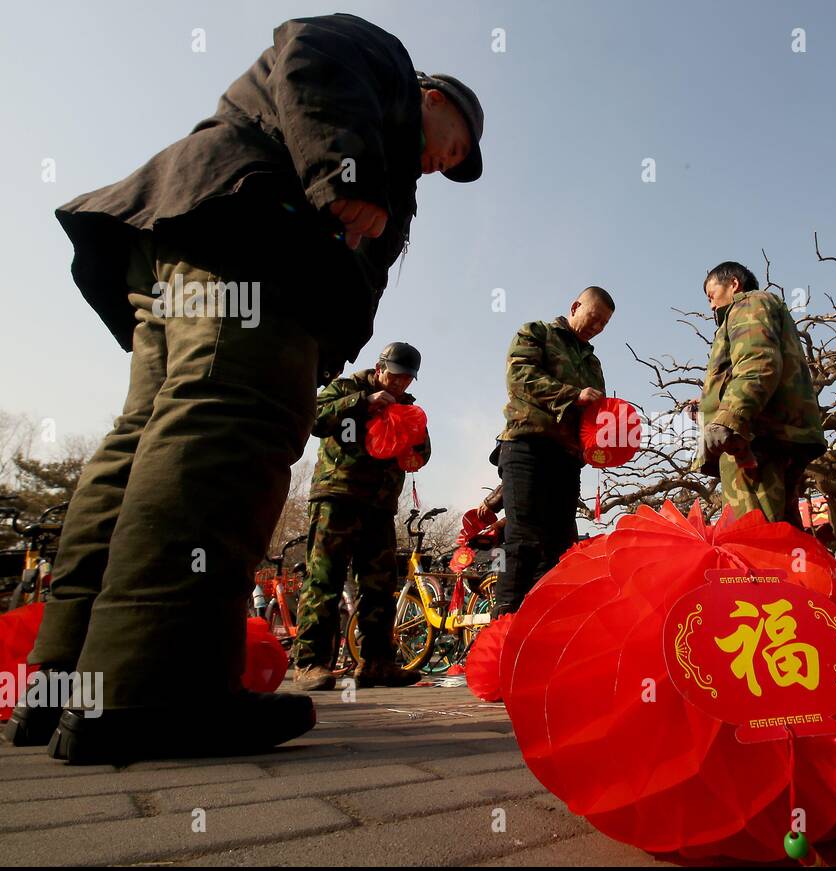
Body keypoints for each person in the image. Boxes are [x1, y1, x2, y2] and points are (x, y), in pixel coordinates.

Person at [5, 13, 485, 764]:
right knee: (227, 428)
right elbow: (310, 50)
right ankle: (157, 688)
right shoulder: (381, 66)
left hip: (189, 237)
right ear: (430, 96)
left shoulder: (383, 138)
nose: (440, 163)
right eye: (451, 144)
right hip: (252, 238)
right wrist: (347, 172)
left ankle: (67, 682)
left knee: (143, 443)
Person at [292, 343, 431, 691]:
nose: (401, 383)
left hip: (380, 505)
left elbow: (422, 450)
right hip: (338, 495)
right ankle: (311, 663)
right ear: (380, 367)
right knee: (325, 579)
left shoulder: (408, 407)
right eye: (396, 375)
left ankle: (377, 663)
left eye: (408, 378)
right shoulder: (346, 388)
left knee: (380, 586)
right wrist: (361, 404)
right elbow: (315, 419)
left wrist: (415, 445)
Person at [492, 288, 613, 616]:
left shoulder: (592, 362)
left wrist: (608, 436)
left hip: (567, 459)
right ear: (576, 306)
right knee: (524, 539)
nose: (597, 327)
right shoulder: (536, 333)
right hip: (526, 447)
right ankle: (503, 634)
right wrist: (573, 395)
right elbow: (520, 378)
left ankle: (544, 631)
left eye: (604, 324)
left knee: (560, 547)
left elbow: (595, 413)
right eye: (594, 317)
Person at [692, 262, 826, 526]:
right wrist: (710, 402)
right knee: (781, 542)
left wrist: (727, 418)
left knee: (752, 543)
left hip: (752, 440)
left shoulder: (747, 303)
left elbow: (757, 361)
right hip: (772, 438)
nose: (710, 306)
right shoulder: (767, 307)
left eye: (711, 295)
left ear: (733, 284)